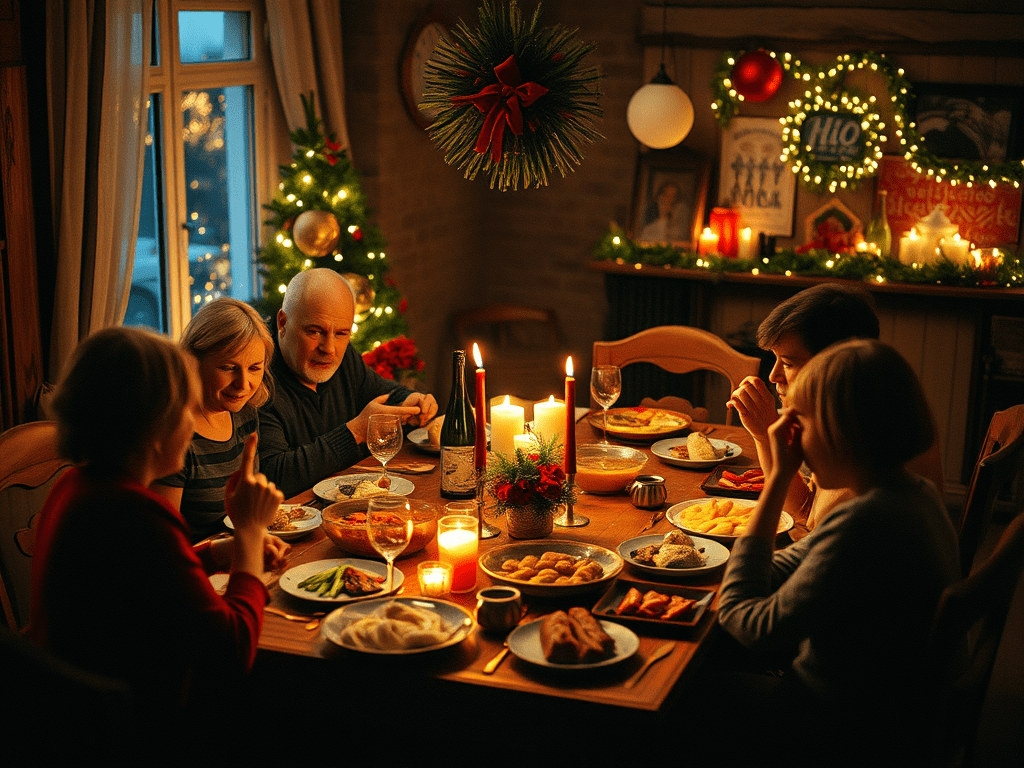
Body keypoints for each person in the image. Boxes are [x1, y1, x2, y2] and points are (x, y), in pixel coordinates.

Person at [30, 326, 283, 748]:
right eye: (185, 408)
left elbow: (144, 577)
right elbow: (231, 652)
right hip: (133, 735)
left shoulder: (77, 486)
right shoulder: (137, 514)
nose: (192, 423)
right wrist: (250, 534)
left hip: (64, 720)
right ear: (153, 426)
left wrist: (217, 553)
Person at [716, 339, 960, 761]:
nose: (792, 439)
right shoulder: (913, 494)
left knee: (679, 692)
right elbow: (796, 563)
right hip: (882, 708)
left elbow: (749, 624)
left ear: (839, 432)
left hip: (835, 726)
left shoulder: (867, 521)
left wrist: (777, 479)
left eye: (801, 424)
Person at [727, 282, 944, 537]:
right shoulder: (855, 409)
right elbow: (809, 514)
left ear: (831, 364)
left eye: (787, 363)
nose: (773, 376)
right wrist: (764, 436)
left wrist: (767, 432)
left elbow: (807, 521)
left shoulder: (869, 453)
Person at [258, 268, 437, 497]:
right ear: (282, 323)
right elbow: (274, 477)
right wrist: (354, 433)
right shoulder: (255, 374)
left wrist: (408, 401)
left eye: (342, 334)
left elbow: (381, 393)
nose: (329, 349)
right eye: (315, 332)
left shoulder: (344, 359)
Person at [152, 298, 285, 550]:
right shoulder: (175, 434)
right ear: (192, 360)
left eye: (255, 368)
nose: (243, 384)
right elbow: (161, 546)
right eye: (228, 367)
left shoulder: (245, 414)